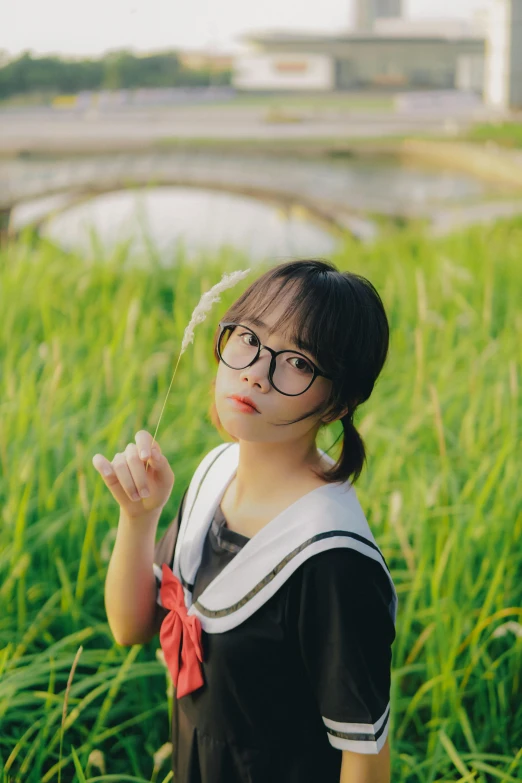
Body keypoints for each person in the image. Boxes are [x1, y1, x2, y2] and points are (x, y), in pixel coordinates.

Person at [94, 258, 398, 783]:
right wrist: (138, 518)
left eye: (299, 362)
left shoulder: (332, 557)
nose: (256, 370)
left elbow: (365, 755)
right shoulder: (217, 471)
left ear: (339, 402)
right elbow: (132, 628)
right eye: (249, 337)